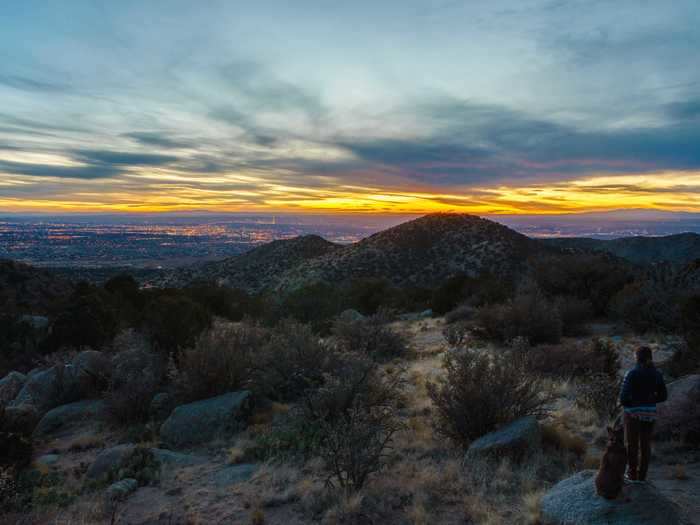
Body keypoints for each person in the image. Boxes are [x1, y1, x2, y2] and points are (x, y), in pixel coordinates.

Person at [619, 346, 668, 483]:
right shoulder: (657, 373)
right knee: (645, 445)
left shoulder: (632, 373)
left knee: (631, 444)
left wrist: (631, 405)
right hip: (649, 413)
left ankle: (632, 474)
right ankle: (642, 477)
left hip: (633, 414)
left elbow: (623, 398)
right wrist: (650, 400)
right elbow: (663, 396)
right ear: (650, 357)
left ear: (637, 357)